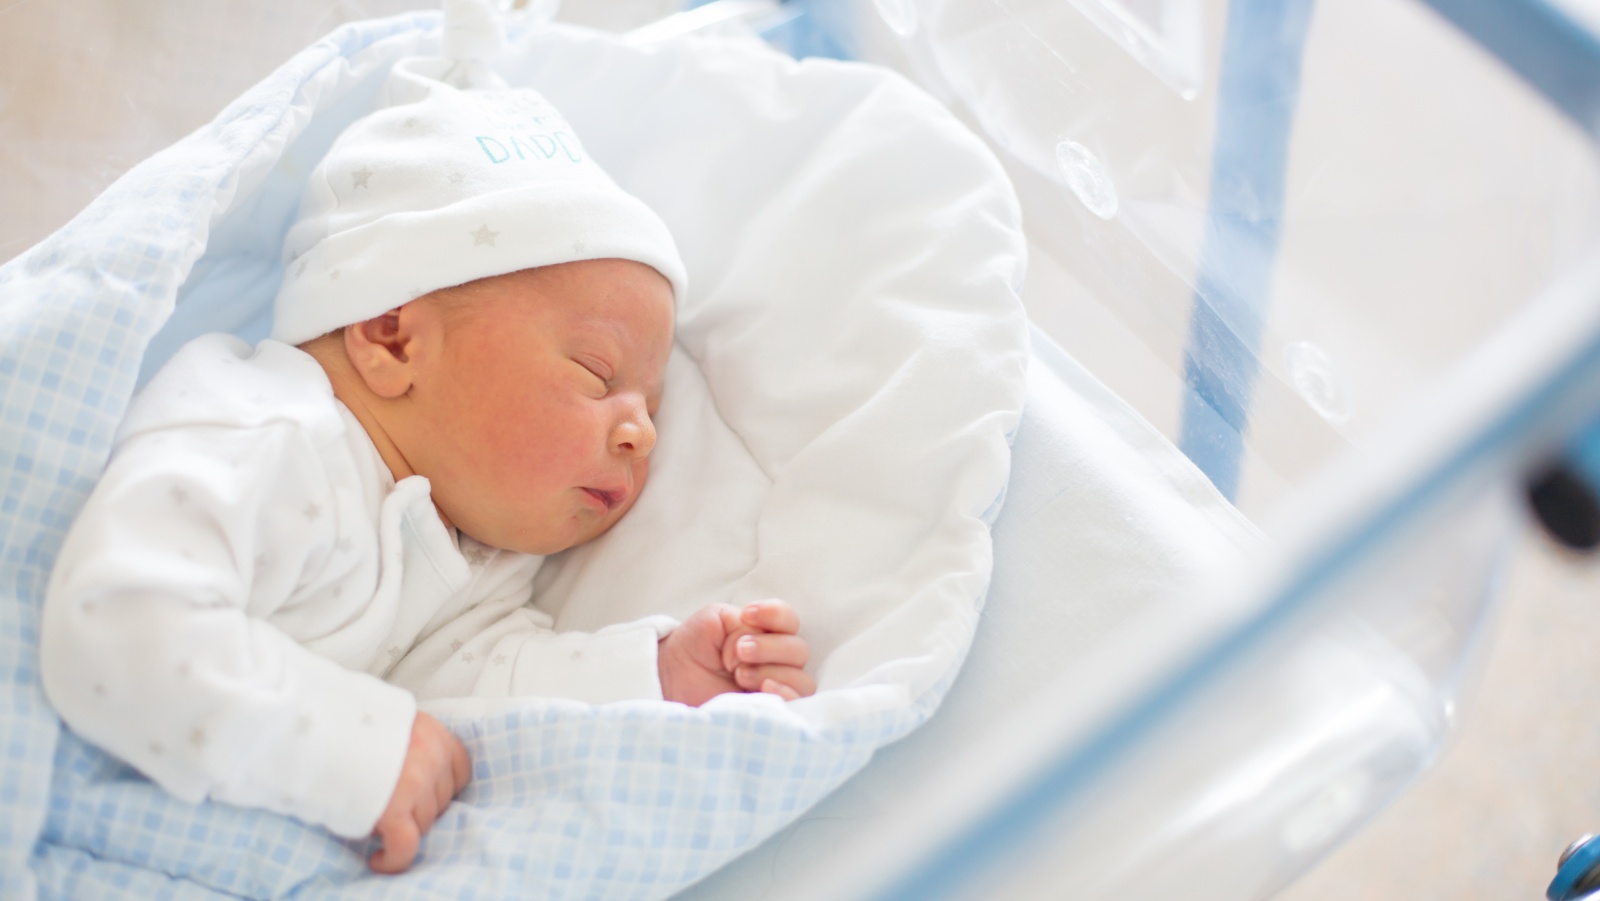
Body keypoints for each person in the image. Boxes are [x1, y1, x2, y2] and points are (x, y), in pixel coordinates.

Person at [38, 55, 815, 876]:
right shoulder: (267, 431)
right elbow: (116, 626)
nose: (642, 434)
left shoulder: (475, 559)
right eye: (597, 372)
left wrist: (655, 673)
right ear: (393, 338)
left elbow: (482, 683)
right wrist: (358, 749)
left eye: (652, 408)